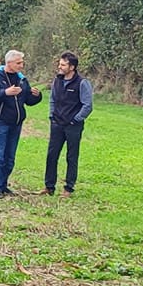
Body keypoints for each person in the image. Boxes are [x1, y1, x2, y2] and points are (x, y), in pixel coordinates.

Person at [0, 50, 39, 198]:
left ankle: (4, 185)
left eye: (22, 62)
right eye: (18, 62)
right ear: (9, 63)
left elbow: (28, 101)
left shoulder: (21, 79)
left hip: (17, 122)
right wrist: (5, 93)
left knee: (10, 157)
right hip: (1, 121)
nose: (22, 65)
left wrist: (37, 96)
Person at [42, 51, 95, 196]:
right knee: (52, 155)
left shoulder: (82, 83)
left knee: (71, 157)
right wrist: (52, 116)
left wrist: (75, 119)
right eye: (59, 64)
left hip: (73, 126)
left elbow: (87, 105)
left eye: (63, 65)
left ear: (72, 67)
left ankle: (68, 188)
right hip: (57, 124)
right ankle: (49, 187)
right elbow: (52, 99)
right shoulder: (57, 80)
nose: (60, 67)